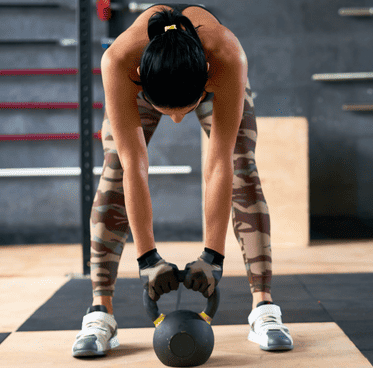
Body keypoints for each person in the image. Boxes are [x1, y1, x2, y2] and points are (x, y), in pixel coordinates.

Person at [72, 3, 293, 357]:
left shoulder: (226, 56)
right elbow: (135, 166)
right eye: (167, 113)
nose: (176, 122)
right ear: (141, 75)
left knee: (241, 163)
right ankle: (101, 312)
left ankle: (264, 308)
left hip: (207, 75)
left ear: (206, 75)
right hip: (147, 77)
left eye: (184, 112)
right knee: (115, 167)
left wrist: (213, 256)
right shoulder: (119, 62)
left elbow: (218, 162)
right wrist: (147, 258)